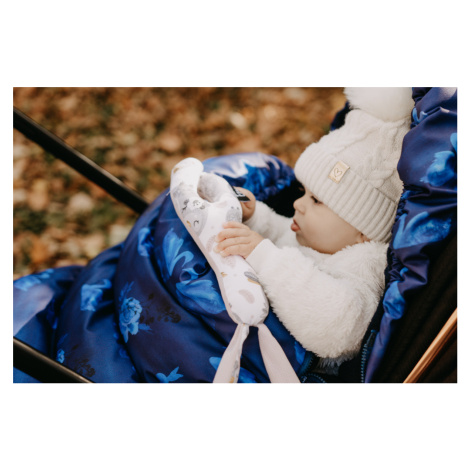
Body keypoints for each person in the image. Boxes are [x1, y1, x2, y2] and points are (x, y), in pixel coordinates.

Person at [214, 87, 415, 373]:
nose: (298, 204)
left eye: (316, 200)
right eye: (304, 193)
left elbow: (339, 328)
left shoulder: (364, 265)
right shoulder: (322, 240)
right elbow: (286, 239)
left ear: (364, 229)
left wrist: (264, 257)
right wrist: (256, 217)